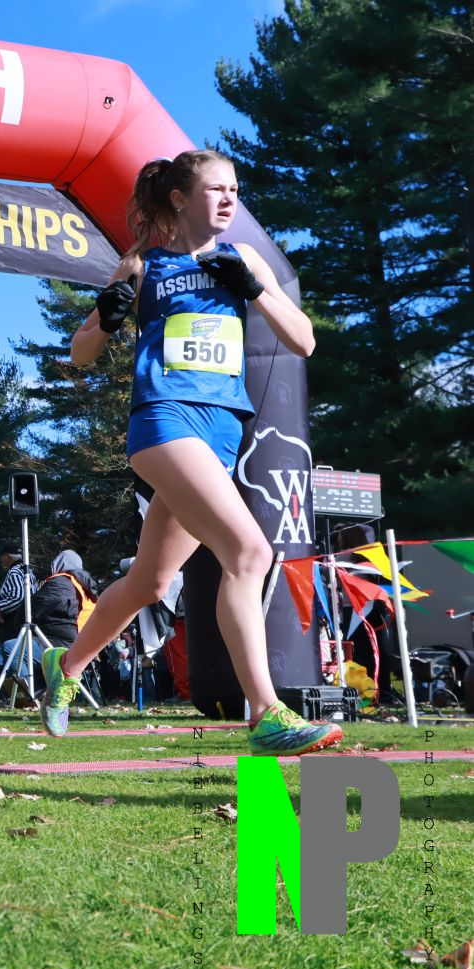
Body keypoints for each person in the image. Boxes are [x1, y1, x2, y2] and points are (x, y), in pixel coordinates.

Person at [41, 150, 341, 756]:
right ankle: (266, 714)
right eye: (216, 189)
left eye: (235, 190)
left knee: (150, 583)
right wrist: (106, 319)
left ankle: (65, 667)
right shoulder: (143, 264)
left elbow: (304, 340)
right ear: (179, 199)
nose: (230, 200)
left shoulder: (244, 258)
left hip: (220, 435)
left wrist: (255, 290)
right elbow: (79, 352)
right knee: (250, 551)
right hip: (164, 419)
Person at [31, 550, 99, 651]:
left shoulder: (60, 583)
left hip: (61, 644)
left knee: (10, 647)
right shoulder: (87, 589)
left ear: (59, 563)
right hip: (82, 643)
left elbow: (33, 609)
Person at [0, 540, 36, 685]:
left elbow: (18, 597)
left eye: (1, 557)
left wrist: (0, 609)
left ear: (7, 556)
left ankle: (23, 690)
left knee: (13, 657)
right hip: (21, 620)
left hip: (13, 622)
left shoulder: (15, 571)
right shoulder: (27, 571)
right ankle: (26, 688)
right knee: (22, 656)